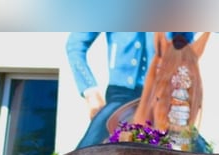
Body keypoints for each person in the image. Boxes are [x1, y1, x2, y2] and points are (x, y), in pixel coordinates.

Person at [66, 32, 195, 148]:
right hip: (121, 95)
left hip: (162, 97)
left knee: (198, 149)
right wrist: (90, 91)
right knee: (87, 148)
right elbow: (74, 46)